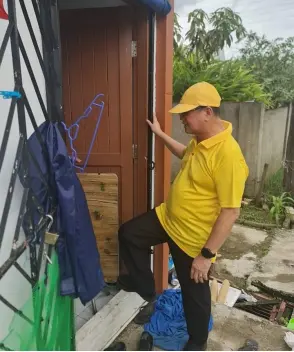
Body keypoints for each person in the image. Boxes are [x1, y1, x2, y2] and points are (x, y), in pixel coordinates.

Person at [117, 82, 249, 351]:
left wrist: (206, 256)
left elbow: (231, 211)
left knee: (194, 293)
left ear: (207, 112)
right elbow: (184, 153)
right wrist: (159, 134)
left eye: (186, 113)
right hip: (168, 218)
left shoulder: (228, 155)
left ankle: (197, 342)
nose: (182, 119)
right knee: (129, 234)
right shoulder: (200, 142)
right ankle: (147, 291)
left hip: (192, 237)